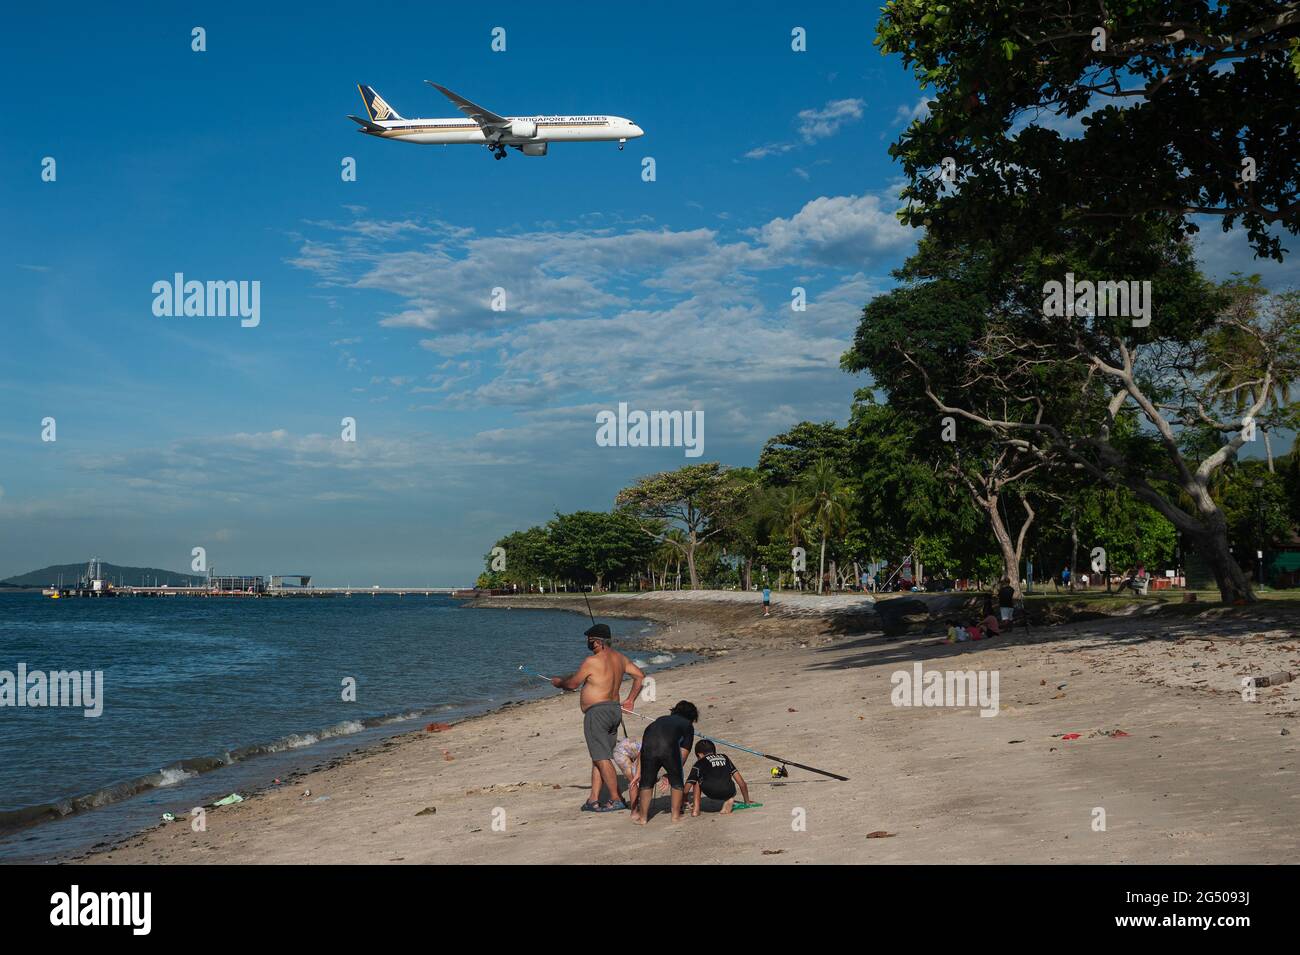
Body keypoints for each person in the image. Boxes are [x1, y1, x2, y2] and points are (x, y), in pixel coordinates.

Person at [551, 623, 644, 813]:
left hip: (597, 714)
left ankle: (616, 798)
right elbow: (640, 676)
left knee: (602, 757)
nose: (588, 642)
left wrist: (559, 682)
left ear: (597, 642)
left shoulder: (591, 661)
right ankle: (593, 799)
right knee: (598, 756)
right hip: (613, 712)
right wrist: (630, 700)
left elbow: (573, 684)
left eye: (589, 639)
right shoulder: (620, 658)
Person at [633, 700, 699, 825]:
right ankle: (675, 816)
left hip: (649, 745)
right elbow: (684, 753)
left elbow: (643, 749)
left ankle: (643, 818)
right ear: (692, 716)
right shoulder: (687, 725)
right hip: (668, 748)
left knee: (646, 782)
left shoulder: (660, 719)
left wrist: (638, 772)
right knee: (677, 781)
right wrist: (671, 773)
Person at [685, 740, 750, 816]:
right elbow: (741, 783)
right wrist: (747, 802)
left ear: (699, 755)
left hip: (711, 792)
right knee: (725, 777)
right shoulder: (725, 758)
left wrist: (684, 799)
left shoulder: (699, 763)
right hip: (729, 791)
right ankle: (729, 799)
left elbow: (688, 785)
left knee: (695, 780)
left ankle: (696, 810)